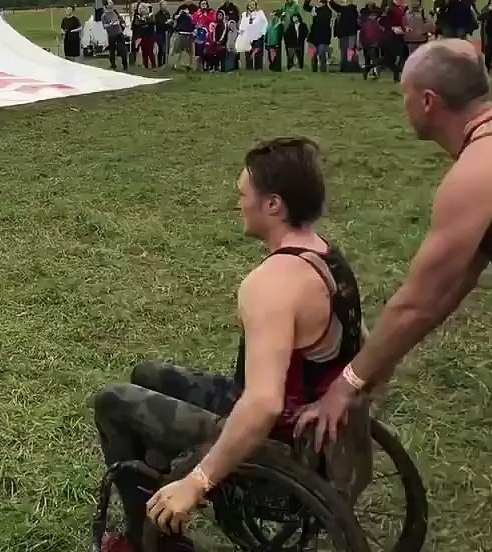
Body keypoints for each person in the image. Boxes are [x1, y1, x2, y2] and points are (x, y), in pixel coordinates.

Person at [296, 40, 492, 552]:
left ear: (428, 102)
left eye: (404, 96)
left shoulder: (477, 175)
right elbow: (444, 294)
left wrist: (345, 384)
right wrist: (375, 368)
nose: (404, 107)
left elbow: (418, 301)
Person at [93, 137, 365, 552]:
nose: (238, 203)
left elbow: (263, 404)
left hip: (279, 441)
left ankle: (145, 534)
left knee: (113, 400)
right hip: (312, 428)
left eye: (242, 194)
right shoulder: (328, 257)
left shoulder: (271, 285)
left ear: (273, 205)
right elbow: (361, 344)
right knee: (147, 375)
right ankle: (158, 482)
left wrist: (200, 479)